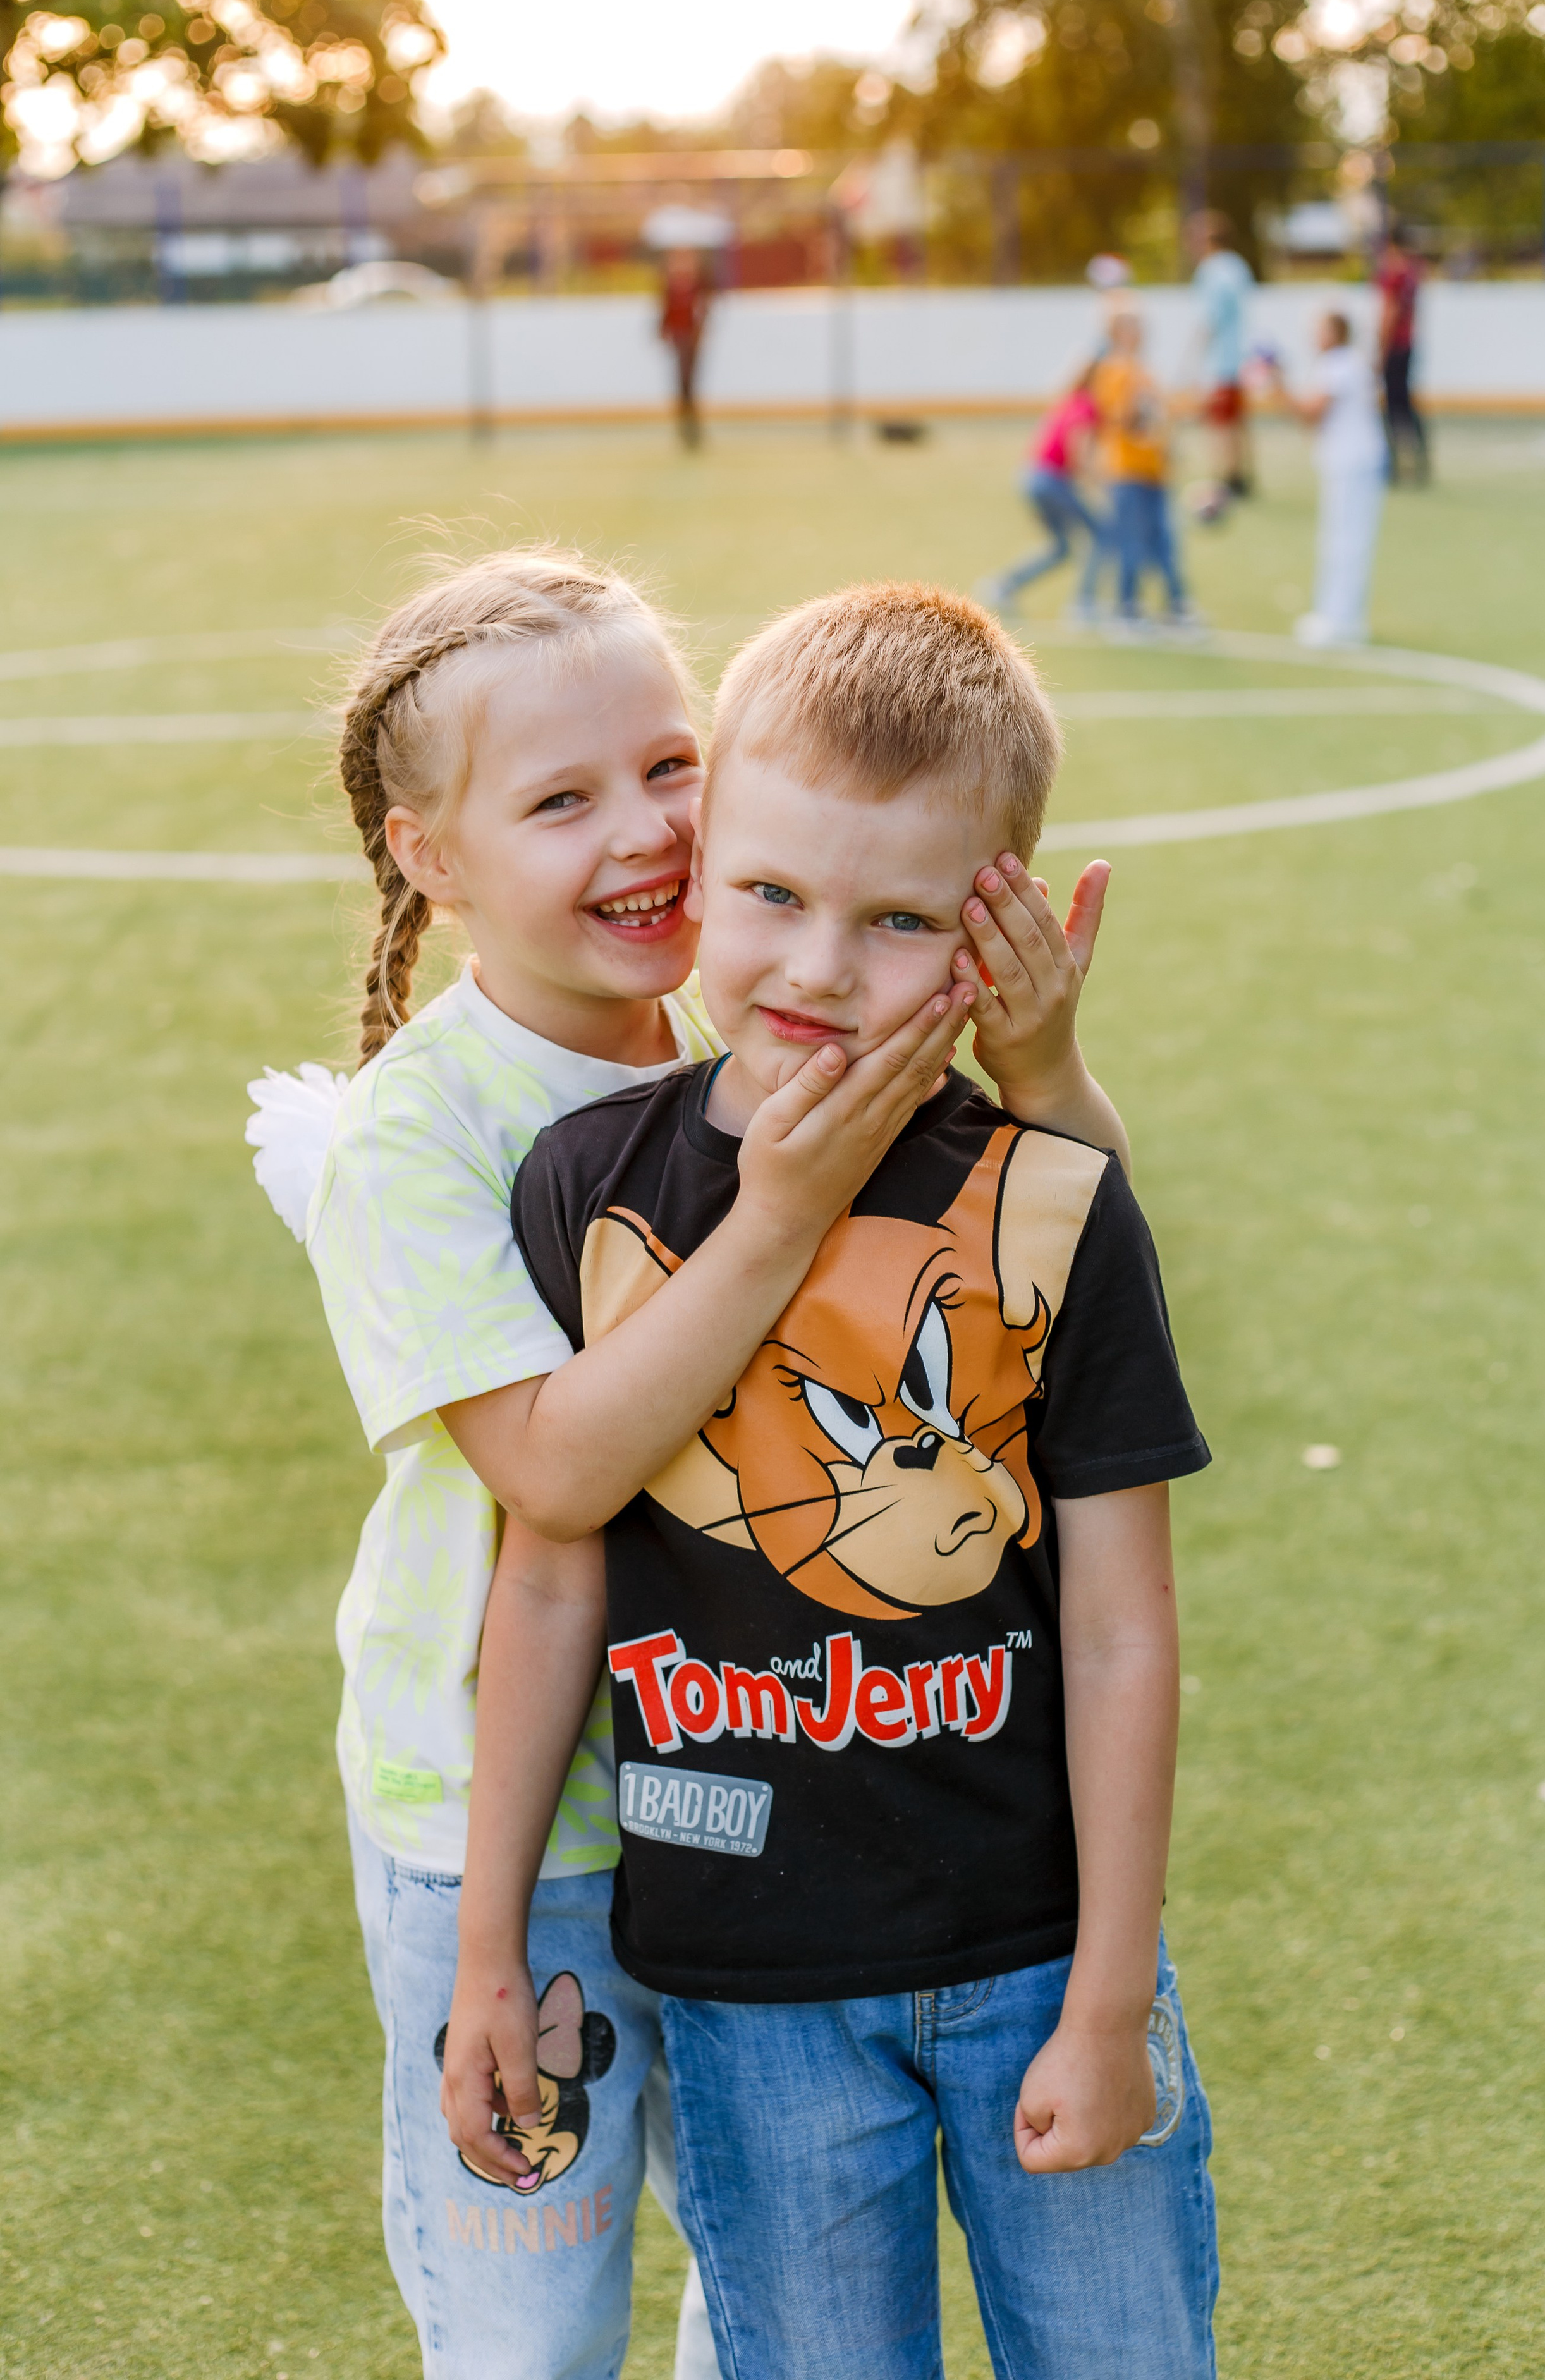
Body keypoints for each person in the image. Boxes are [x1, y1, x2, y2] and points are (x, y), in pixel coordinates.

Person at [245, 546, 1130, 2380]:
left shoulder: (762, 1022)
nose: (644, 831)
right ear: (432, 856)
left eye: (667, 766)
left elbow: (1063, 1264)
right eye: (561, 799)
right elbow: (558, 1478)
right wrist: (785, 1204)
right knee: (535, 2323)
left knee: (775, 2287)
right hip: (519, 1838)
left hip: (753, 1791)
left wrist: (1041, 1054)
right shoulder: (422, 1141)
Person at [453, 583, 1218, 2379]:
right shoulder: (587, 1187)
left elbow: (1118, 1625)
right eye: (773, 895)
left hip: (1039, 1955)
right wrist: (491, 1945)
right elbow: (552, 1569)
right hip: (746, 1991)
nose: (813, 969)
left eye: (895, 924)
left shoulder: (1048, 1199)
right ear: (707, 854)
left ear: (990, 933)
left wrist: (1113, 1995)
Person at [1266, 310, 1388, 648]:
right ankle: (1339, 616)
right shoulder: (1346, 363)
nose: (1313, 337)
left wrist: (1277, 385)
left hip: (1353, 464)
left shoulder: (1340, 364)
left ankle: (1341, 620)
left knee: (1345, 541)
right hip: (1352, 463)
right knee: (1345, 539)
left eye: (1319, 330)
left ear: (1335, 333)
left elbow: (1311, 413)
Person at [1092, 308, 1198, 632]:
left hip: (1155, 472)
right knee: (1132, 543)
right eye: (1131, 326)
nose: (1139, 331)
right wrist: (1139, 403)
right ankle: (1127, 609)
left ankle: (1177, 606)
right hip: (1127, 472)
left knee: (1165, 543)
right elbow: (1122, 420)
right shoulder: (1113, 370)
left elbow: (1162, 417)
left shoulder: (1143, 370)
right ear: (1116, 333)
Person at [982, 364, 1113, 623]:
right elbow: (1079, 452)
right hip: (1050, 480)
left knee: (1061, 548)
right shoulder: (1087, 406)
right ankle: (1084, 605)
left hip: (1032, 478)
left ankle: (1003, 586)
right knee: (1101, 535)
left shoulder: (1071, 401)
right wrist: (1103, 485)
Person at [1187, 209, 1255, 500]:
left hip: (1223, 362)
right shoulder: (1238, 266)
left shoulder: (1212, 270)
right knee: (1238, 420)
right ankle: (1242, 476)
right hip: (1241, 358)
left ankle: (1227, 479)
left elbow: (1211, 320)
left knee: (1220, 423)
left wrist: (1193, 360)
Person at [1376, 219, 1430, 486]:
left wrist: (1379, 351)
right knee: (1406, 403)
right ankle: (1420, 460)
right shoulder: (1413, 271)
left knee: (1392, 406)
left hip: (1395, 346)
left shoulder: (1393, 273)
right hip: (1408, 343)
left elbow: (1390, 312)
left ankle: (1394, 465)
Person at [659, 248, 711, 450]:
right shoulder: (670, 285)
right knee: (682, 380)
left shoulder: (698, 285)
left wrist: (700, 332)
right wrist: (664, 330)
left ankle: (691, 423)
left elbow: (703, 309)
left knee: (690, 380)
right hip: (678, 338)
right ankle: (685, 422)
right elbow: (665, 309)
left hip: (691, 338)